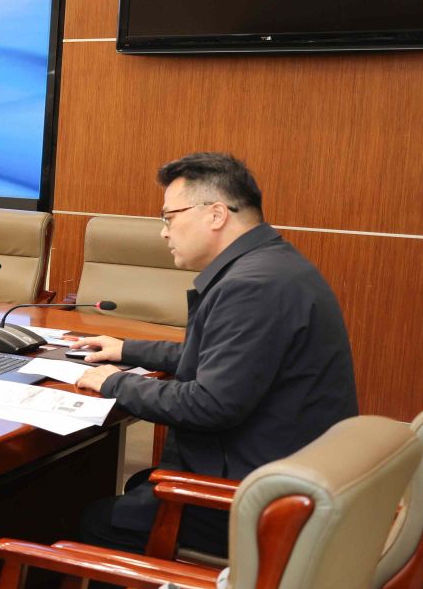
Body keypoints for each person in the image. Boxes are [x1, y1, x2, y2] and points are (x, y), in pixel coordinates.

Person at [68, 152, 358, 556]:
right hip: (285, 475)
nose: (164, 233)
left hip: (260, 501)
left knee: (98, 520)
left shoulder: (252, 287)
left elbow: (209, 404)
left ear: (216, 214)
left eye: (169, 218)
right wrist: (128, 349)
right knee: (138, 487)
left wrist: (115, 383)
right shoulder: (272, 265)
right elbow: (219, 356)